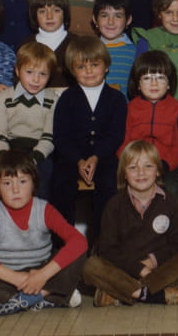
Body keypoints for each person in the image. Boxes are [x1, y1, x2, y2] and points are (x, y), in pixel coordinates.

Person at [0, 150, 87, 318]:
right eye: (7, 183)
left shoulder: (44, 209)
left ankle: (16, 303)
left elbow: (79, 241)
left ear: (33, 183)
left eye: (22, 181)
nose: (15, 190)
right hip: (6, 277)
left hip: (41, 272)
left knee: (78, 253)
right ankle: (47, 297)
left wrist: (43, 275)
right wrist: (17, 278)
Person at [82, 141, 178, 306]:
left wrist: (152, 261)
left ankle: (122, 292)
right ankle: (151, 295)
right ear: (124, 174)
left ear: (158, 171)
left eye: (148, 166)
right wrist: (138, 269)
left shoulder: (170, 202)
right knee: (90, 266)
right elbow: (108, 250)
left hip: (159, 270)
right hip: (123, 269)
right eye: (133, 167)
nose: (141, 172)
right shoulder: (114, 205)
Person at [51, 36, 127, 233]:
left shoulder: (117, 99)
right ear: (72, 70)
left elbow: (115, 135)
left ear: (106, 66)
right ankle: (64, 241)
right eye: (81, 67)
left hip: (104, 156)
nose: (89, 71)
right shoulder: (67, 98)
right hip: (71, 157)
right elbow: (61, 136)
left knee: (110, 184)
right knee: (60, 184)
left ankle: (102, 241)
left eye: (94, 65)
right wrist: (78, 160)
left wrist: (96, 157)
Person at [0, 42, 59, 201]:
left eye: (43, 74)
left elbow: (49, 137)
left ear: (50, 76)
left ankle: (40, 214)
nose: (36, 79)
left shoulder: (53, 100)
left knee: (45, 174)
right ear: (17, 71)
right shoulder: (2, 98)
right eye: (29, 72)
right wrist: (5, 158)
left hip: (40, 152)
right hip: (9, 150)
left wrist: (33, 159)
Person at [118, 51, 178, 198]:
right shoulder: (129, 109)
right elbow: (122, 143)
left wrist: (164, 164)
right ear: (138, 84)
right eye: (147, 78)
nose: (154, 83)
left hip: (167, 165)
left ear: (169, 84)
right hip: (134, 164)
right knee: (121, 189)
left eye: (160, 77)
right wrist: (132, 164)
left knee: (172, 188)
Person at [19, 0, 78, 88]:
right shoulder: (26, 45)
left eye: (56, 10)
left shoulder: (77, 44)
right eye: (42, 11)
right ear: (34, 15)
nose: (49, 16)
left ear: (65, 13)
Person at [92, 0, 136, 97]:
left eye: (118, 16)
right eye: (104, 15)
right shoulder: (89, 50)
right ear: (95, 19)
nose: (110, 22)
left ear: (128, 20)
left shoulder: (135, 52)